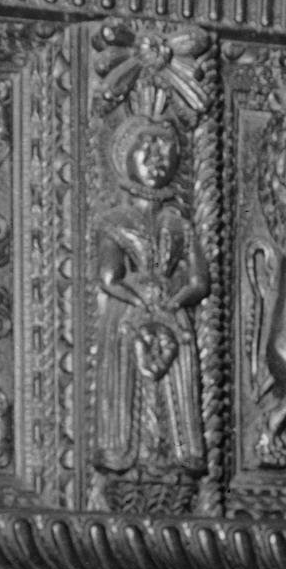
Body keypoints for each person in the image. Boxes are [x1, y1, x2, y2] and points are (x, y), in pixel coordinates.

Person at [94, 116, 210, 480]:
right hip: (132, 315)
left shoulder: (178, 224)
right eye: (149, 147)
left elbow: (199, 281)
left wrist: (174, 302)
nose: (159, 157)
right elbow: (109, 277)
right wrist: (144, 300)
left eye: (167, 149)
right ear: (126, 155)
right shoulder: (115, 220)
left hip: (171, 316)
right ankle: (122, 450)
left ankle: (178, 451)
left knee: (174, 384)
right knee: (129, 383)